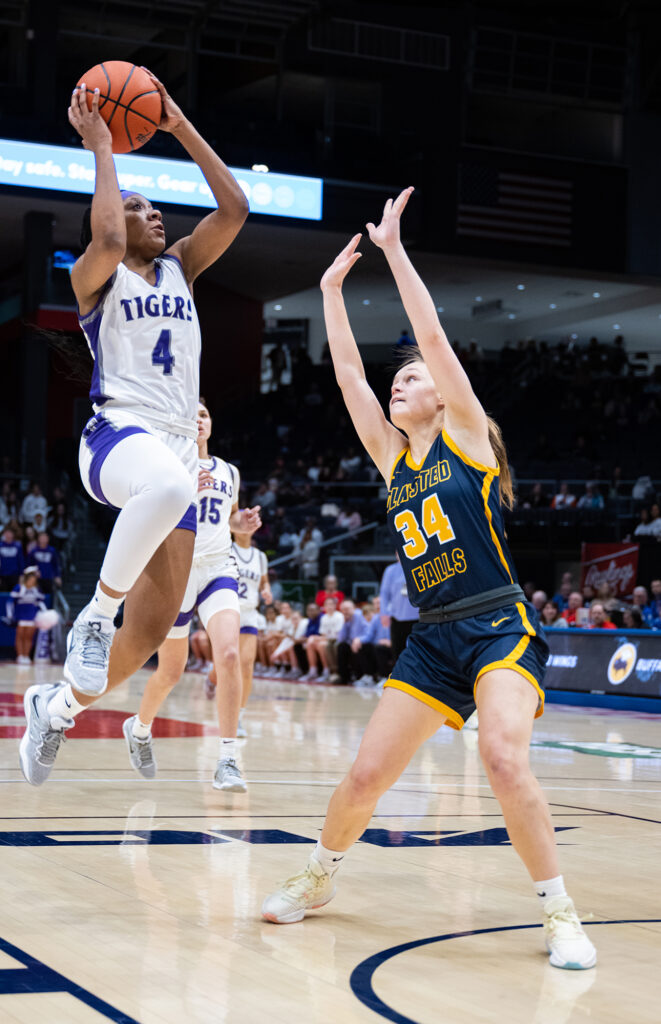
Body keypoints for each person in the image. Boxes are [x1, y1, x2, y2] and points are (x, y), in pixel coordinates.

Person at [261, 191, 596, 971]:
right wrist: (329, 293)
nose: (397, 385)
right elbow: (347, 375)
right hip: (432, 635)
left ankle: (559, 915)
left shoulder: (469, 439)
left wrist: (393, 251)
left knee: (504, 757)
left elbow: (435, 337)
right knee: (364, 775)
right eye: (398, 381)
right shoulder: (391, 460)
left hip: (497, 624)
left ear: (441, 395)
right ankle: (320, 875)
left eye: (410, 379)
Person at [19, 72, 248, 786]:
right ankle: (93, 614)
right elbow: (110, 230)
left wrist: (177, 124)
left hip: (175, 443)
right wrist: (100, 147)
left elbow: (235, 207)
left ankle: (53, 707)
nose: (152, 217)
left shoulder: (180, 266)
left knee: (150, 633)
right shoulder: (96, 274)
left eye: (154, 210)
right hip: (118, 435)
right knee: (172, 486)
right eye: (140, 207)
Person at [121, 400, 261, 791]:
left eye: (204, 415)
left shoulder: (229, 471)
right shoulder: (169, 465)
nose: (198, 420)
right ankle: (140, 727)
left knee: (229, 653)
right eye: (192, 415)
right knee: (170, 671)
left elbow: (228, 518)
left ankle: (229, 759)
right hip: (178, 567)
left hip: (218, 566)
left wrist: (241, 523)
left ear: (211, 425)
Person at [231, 530, 272, 736]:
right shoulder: (226, 549)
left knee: (246, 665)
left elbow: (264, 581)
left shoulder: (260, 556)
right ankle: (211, 679)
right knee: (228, 662)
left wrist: (267, 589)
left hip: (249, 612)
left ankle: (238, 717)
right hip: (227, 610)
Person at [379, 553, 420, 663]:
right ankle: (398, 677)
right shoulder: (390, 570)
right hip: (397, 616)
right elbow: (384, 594)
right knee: (397, 649)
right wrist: (384, 613)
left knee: (416, 649)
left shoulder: (418, 566)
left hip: (417, 617)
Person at [9, 567, 46, 664]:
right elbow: (10, 602)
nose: (31, 582)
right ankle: (20, 655)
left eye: (34, 580)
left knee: (29, 637)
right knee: (20, 636)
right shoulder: (19, 588)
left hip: (32, 616)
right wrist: (10, 615)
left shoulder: (36, 590)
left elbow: (41, 603)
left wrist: (44, 613)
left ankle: (26, 655)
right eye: (30, 580)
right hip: (21, 615)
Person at [0, 526, 25, 591]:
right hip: (2, 576)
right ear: (4, 534)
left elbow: (21, 561)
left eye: (10, 533)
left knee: (15, 594)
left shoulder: (18, 546)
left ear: (13, 535)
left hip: (15, 575)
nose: (8, 535)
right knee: (2, 595)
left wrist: (22, 575)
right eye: (6, 533)